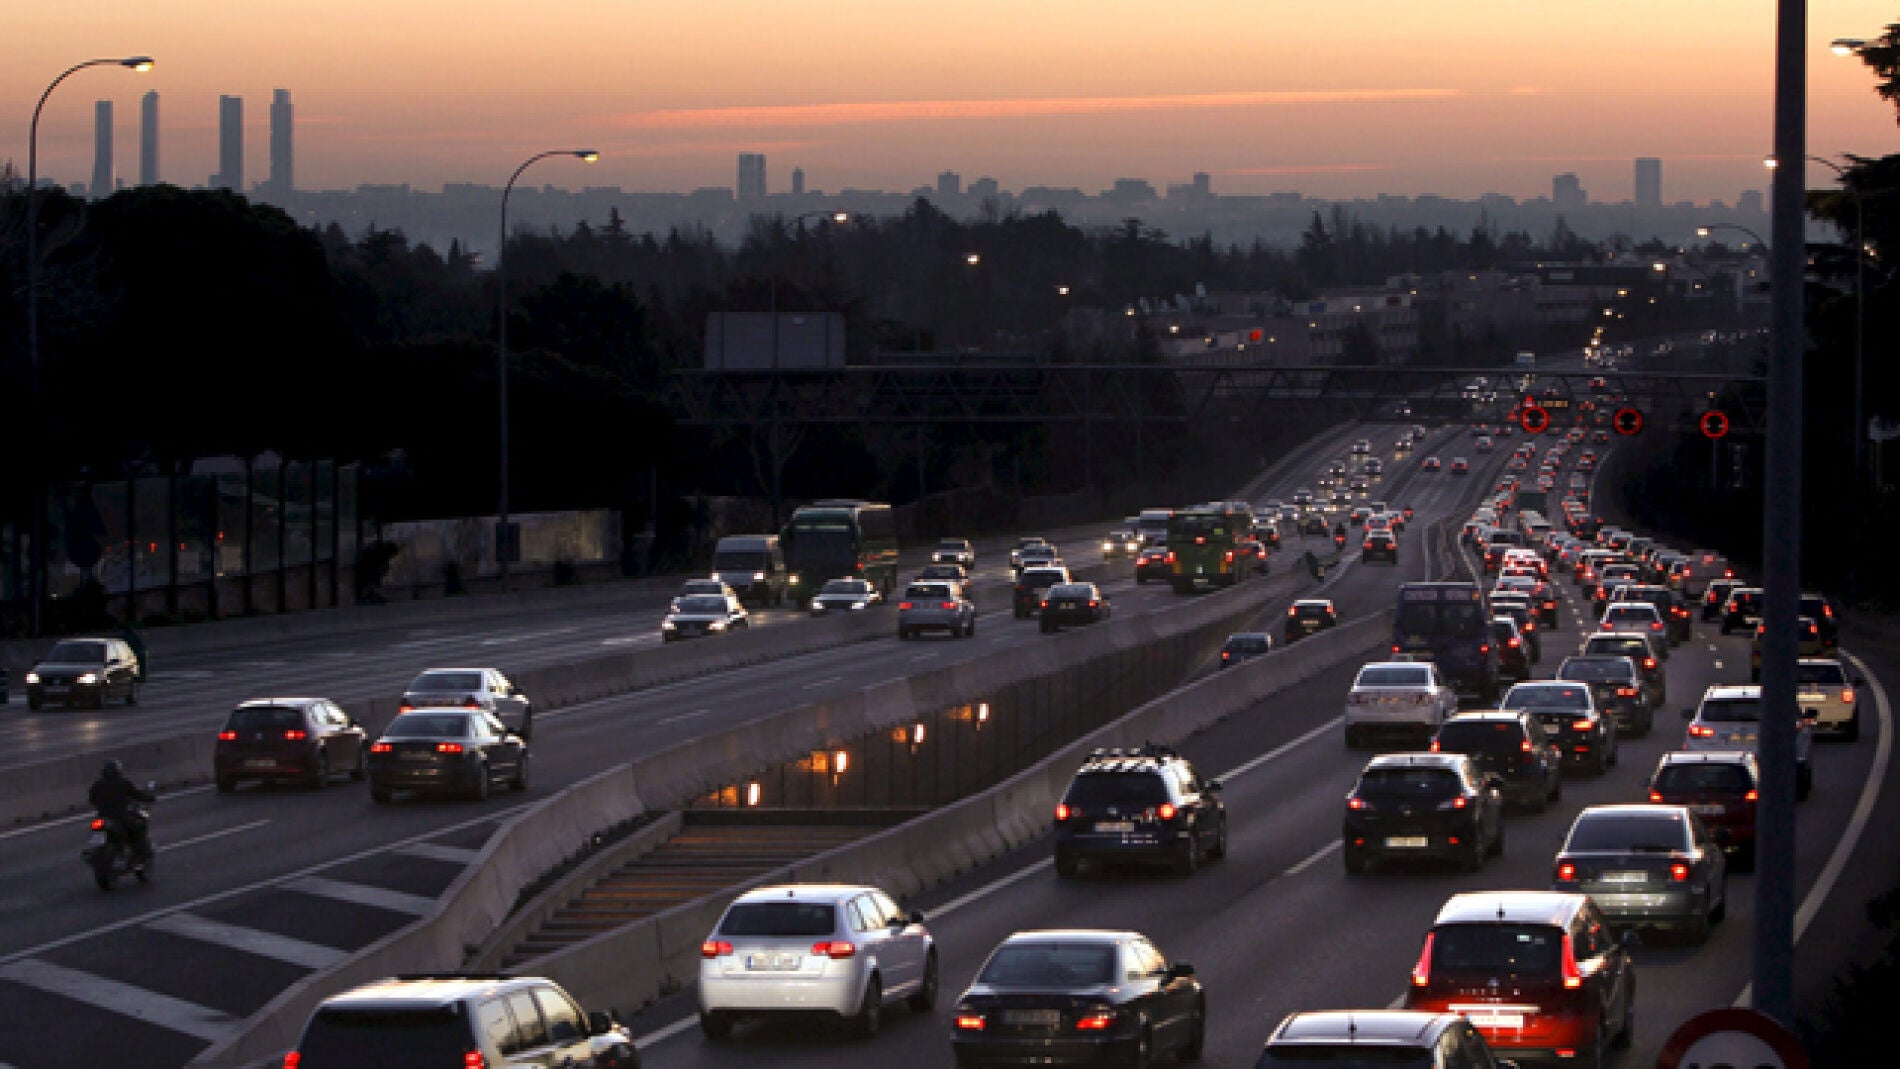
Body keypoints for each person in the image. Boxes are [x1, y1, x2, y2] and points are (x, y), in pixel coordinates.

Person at [88, 760, 155, 861]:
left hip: (103, 817)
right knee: (139, 826)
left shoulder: (96, 785)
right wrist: (150, 798)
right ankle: (140, 852)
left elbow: (92, 800)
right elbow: (137, 795)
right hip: (120, 816)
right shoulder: (123, 782)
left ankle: (126, 852)